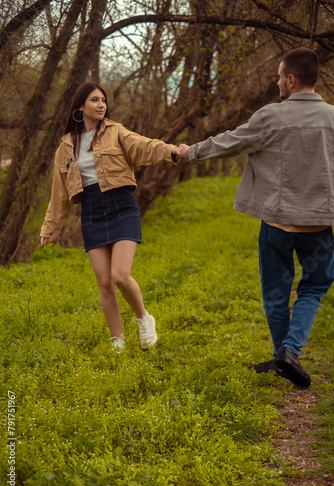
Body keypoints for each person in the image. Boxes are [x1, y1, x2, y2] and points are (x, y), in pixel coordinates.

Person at [179, 47, 334, 387]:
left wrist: (190, 152)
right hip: (320, 225)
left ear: (291, 80)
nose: (278, 82)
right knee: (315, 287)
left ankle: (286, 353)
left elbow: (229, 142)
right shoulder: (333, 118)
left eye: (280, 76)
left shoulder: (271, 116)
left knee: (277, 294)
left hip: (277, 224)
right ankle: (289, 354)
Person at [41, 81, 181, 352]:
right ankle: (118, 340)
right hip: (92, 212)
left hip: (122, 206)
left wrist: (171, 151)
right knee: (104, 282)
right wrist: (51, 227)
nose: (101, 104)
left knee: (119, 274)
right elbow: (58, 193)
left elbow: (144, 147)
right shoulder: (65, 147)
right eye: (95, 100)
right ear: (80, 107)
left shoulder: (116, 132)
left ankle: (143, 318)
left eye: (103, 100)